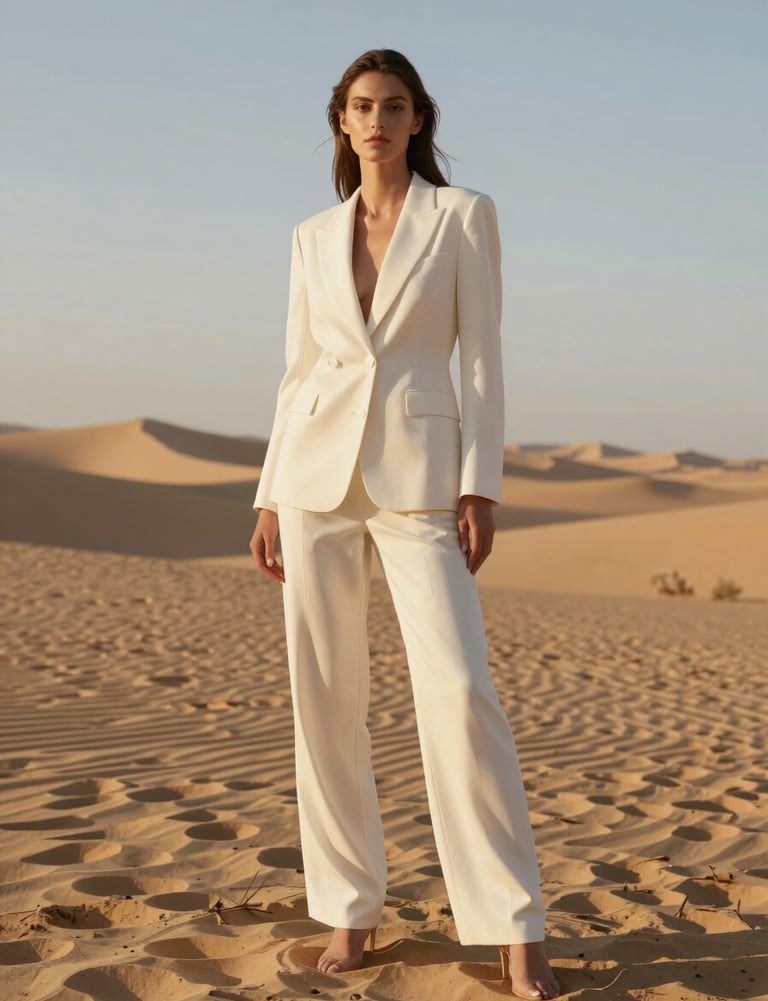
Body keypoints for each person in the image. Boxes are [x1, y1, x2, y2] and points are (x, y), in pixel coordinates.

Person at [250, 48, 559, 1001]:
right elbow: (298, 369)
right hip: (313, 479)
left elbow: (481, 363)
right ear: (340, 123)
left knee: (462, 694)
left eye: (393, 105)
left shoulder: (462, 217)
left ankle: (514, 925)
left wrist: (482, 484)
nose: (376, 120)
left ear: (418, 119)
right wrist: (268, 490)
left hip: (421, 481)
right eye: (359, 106)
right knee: (324, 698)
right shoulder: (310, 235)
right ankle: (347, 907)